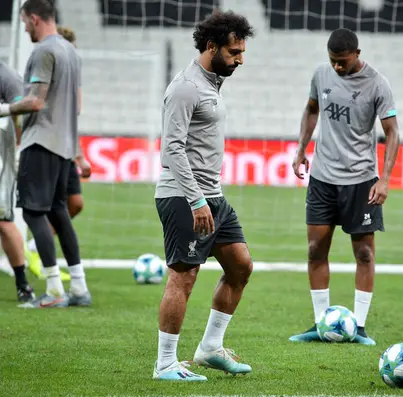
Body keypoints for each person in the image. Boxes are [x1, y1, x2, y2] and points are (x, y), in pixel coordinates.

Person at [153, 10, 255, 381]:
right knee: (184, 275)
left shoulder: (211, 82)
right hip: (184, 196)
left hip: (213, 195)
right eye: (234, 51)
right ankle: (165, 363)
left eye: (242, 51)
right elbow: (172, 148)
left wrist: (206, 198)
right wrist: (196, 200)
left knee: (240, 266)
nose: (239, 59)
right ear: (211, 46)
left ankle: (210, 349)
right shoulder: (185, 87)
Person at [289, 28, 400, 345]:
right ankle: (320, 324)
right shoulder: (321, 75)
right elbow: (312, 110)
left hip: (361, 181)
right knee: (315, 250)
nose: (337, 67)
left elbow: (392, 132)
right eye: (333, 61)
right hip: (323, 178)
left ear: (357, 54)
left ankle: (360, 328)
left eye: (343, 61)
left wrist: (385, 177)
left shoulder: (377, 84)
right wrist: (300, 150)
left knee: (364, 252)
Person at [4, 0, 91, 308]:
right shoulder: (71, 51)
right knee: (58, 211)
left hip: (41, 141)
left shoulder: (43, 51)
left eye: (26, 21)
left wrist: (2, 109)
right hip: (64, 145)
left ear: (35, 18)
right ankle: (79, 287)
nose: (25, 27)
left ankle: (54, 289)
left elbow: (35, 102)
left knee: (32, 212)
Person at [25, 25, 91, 283]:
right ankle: (48, 265)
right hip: (48, 145)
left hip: (65, 146)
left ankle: (34, 249)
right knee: (47, 208)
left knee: (73, 205)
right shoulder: (47, 66)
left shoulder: (72, 71)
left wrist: (79, 154)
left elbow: (73, 115)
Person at [0, 61, 36, 303]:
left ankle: (23, 283)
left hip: (1, 154)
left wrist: (20, 149)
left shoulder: (6, 75)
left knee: (3, 219)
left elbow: (23, 109)